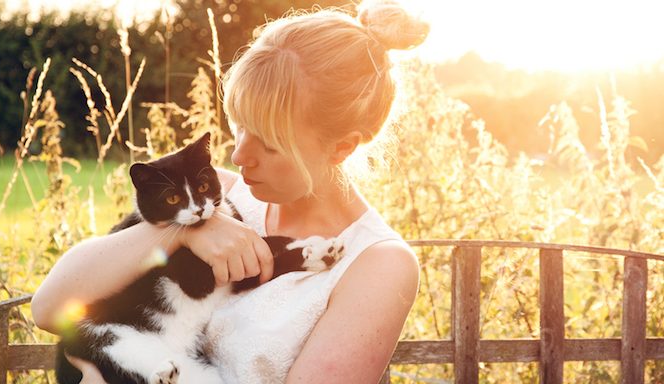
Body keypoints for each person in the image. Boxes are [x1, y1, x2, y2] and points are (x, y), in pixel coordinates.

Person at [32, 0, 430, 382]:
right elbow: (50, 307)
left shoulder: (378, 263)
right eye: (238, 125)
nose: (239, 154)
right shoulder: (211, 194)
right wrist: (190, 232)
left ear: (342, 146)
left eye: (270, 143)